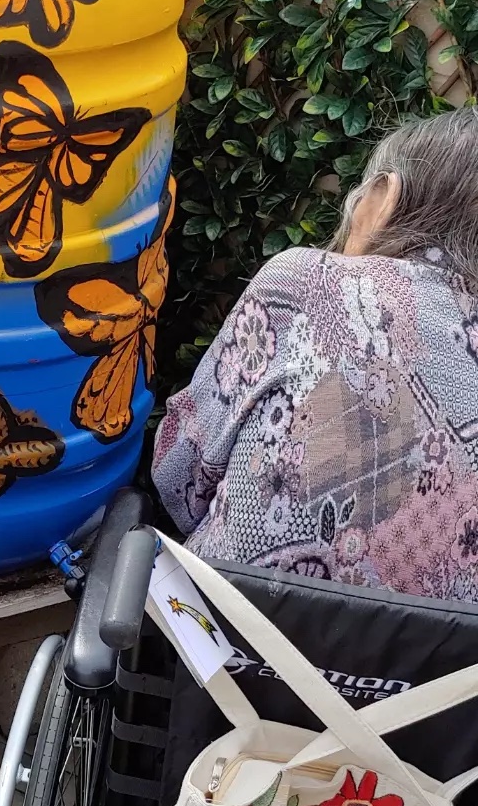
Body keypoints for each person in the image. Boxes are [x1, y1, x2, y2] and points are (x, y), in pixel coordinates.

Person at [153, 107, 478, 601]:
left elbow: (180, 480)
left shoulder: (311, 285)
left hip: (222, 662)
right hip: (426, 679)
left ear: (383, 198)